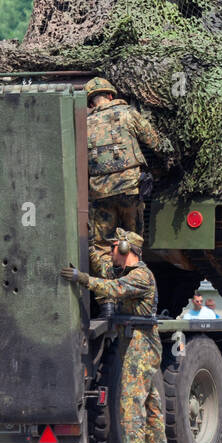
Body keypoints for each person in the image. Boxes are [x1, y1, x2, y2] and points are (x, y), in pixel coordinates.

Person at [60, 228, 169, 443]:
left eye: (113, 249)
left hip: (141, 344)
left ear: (124, 249)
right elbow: (105, 270)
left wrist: (81, 278)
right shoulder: (126, 272)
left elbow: (112, 288)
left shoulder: (141, 276)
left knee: (130, 404)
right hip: (135, 342)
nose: (110, 253)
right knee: (151, 406)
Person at [84, 77, 174, 313]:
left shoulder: (83, 123)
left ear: (90, 102)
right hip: (130, 191)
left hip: (100, 194)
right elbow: (155, 142)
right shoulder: (128, 113)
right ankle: (136, 296)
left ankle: (108, 302)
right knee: (131, 242)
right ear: (111, 95)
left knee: (102, 248)